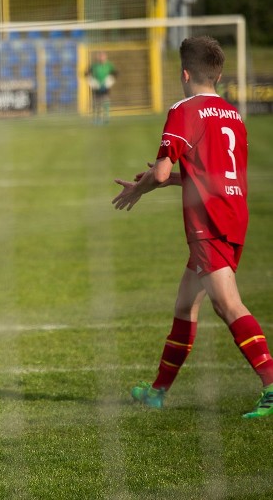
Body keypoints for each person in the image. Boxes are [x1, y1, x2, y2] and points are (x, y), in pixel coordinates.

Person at [112, 36, 273, 419]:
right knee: (186, 306)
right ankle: (157, 391)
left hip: (208, 221)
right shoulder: (232, 114)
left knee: (227, 304)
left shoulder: (185, 109)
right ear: (217, 74)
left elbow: (164, 167)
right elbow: (211, 174)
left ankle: (270, 384)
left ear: (185, 74)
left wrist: (144, 186)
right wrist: (168, 181)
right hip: (234, 213)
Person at [85, 51, 117, 125]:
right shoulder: (94, 65)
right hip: (96, 87)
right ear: (98, 57)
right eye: (100, 56)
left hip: (105, 86)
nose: (101, 58)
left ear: (106, 57)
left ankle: (106, 118)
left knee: (106, 101)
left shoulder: (109, 65)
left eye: (103, 56)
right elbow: (86, 73)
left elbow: (115, 73)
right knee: (96, 103)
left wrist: (110, 81)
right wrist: (91, 82)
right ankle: (97, 118)